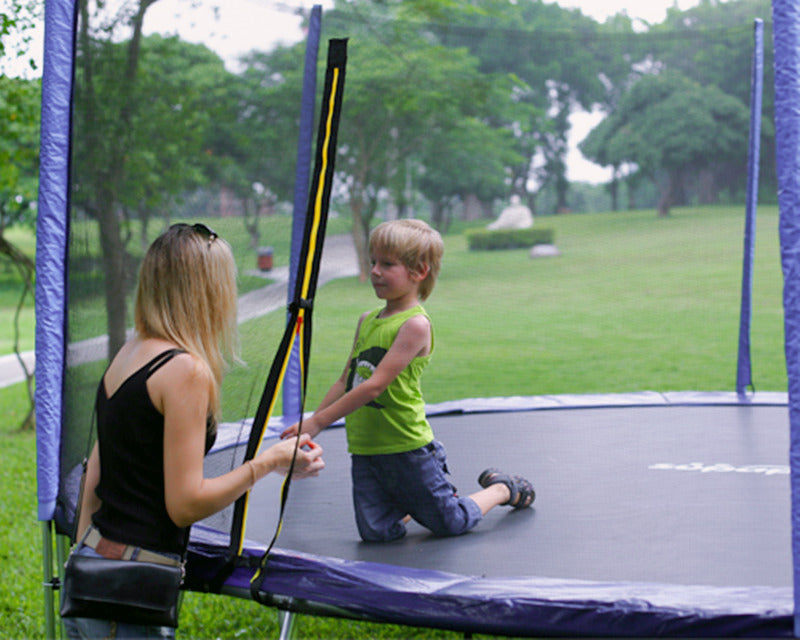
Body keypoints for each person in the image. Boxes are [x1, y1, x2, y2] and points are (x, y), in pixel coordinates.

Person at [64, 223, 325, 639]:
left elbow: (96, 471)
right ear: (207, 290)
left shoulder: (131, 352)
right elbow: (184, 505)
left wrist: (88, 558)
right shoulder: (184, 370)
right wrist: (269, 463)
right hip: (130, 591)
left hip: (94, 570)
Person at [281, 219, 533, 542]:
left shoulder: (415, 325)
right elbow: (347, 379)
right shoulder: (366, 320)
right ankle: (410, 501)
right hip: (365, 449)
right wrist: (309, 420)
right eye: (373, 262)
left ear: (419, 272)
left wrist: (318, 423)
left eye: (387, 264)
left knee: (450, 522)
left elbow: (373, 386)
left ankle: (502, 488)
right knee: (377, 533)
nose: (374, 271)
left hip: (407, 447)